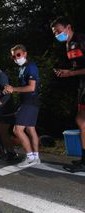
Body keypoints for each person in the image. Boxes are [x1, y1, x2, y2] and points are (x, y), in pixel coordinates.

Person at [51, 16, 85, 172]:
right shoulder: (68, 45)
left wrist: (71, 74)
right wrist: (68, 71)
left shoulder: (81, 40)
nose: (57, 34)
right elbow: (79, 68)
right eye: (55, 32)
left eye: (59, 30)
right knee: (81, 122)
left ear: (68, 27)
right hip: (82, 85)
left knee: (81, 121)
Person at [3, 44, 41, 168]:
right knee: (30, 129)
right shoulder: (22, 68)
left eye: (18, 55)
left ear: (25, 53)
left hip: (30, 101)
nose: (16, 58)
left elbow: (31, 87)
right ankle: (36, 158)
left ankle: (30, 157)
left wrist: (13, 89)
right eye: (14, 57)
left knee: (17, 130)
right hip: (29, 101)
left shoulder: (31, 67)